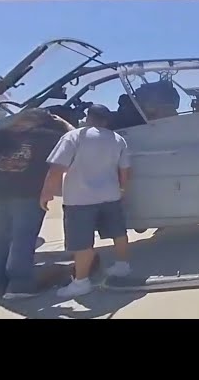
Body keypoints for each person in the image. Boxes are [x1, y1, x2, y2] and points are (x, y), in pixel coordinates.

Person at [40, 104, 132, 298]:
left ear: (88, 117)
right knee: (118, 232)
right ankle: (122, 265)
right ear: (107, 121)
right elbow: (125, 170)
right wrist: (122, 189)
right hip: (111, 195)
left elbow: (57, 168)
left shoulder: (73, 137)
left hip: (79, 199)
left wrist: (46, 193)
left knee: (82, 242)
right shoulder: (118, 139)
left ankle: (81, 282)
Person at [0, 108, 74, 299]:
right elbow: (75, 137)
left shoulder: (4, 136)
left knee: (2, 239)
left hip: (2, 194)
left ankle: (0, 283)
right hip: (28, 195)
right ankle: (20, 285)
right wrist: (61, 121)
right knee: (23, 239)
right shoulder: (47, 137)